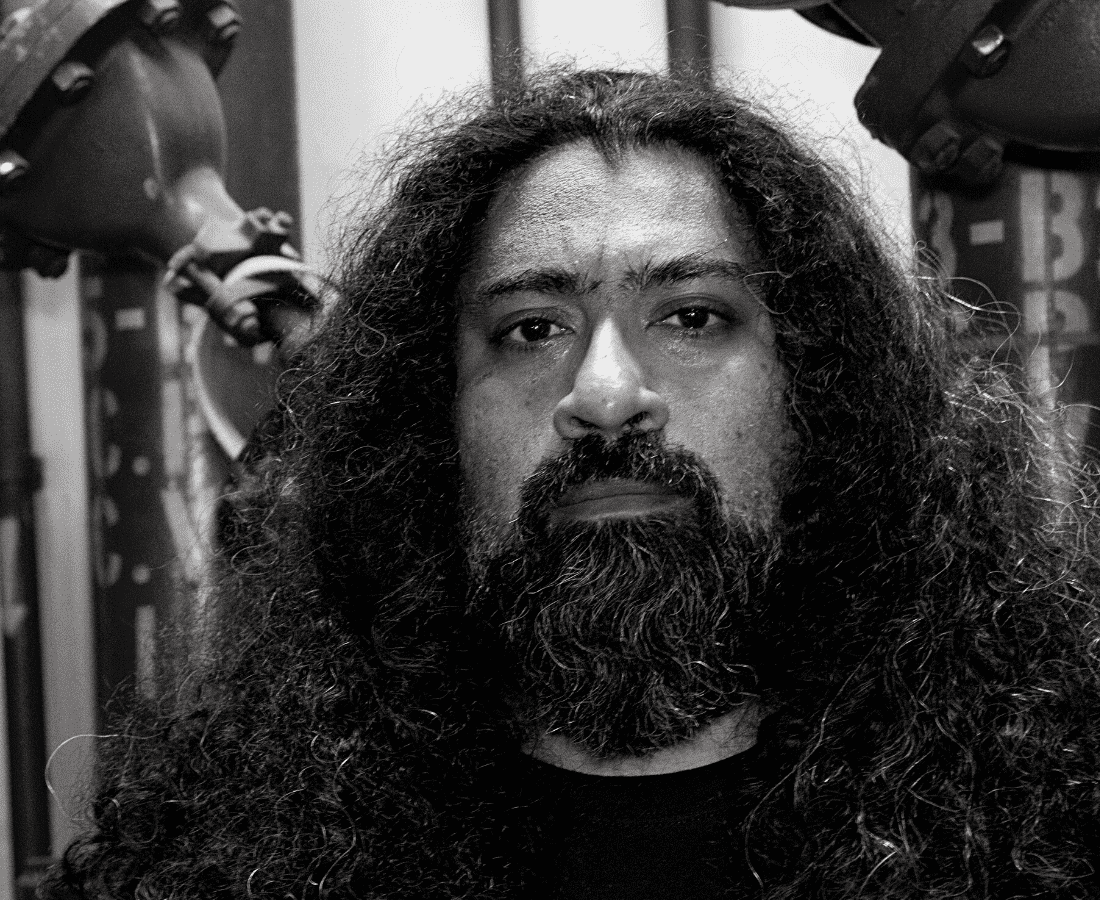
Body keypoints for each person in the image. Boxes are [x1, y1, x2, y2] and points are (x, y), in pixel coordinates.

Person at [47, 69, 1100, 900]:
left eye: (691, 316)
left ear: (818, 394)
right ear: (429, 424)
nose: (603, 394)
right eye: (530, 329)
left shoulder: (1056, 829)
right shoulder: (217, 859)